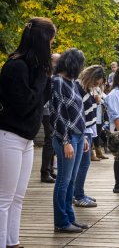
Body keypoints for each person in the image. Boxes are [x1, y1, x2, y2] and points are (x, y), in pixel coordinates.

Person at [0, 17, 56, 247]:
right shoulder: (16, 66)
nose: (52, 47)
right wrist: (43, 78)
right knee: (4, 198)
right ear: (42, 41)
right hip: (9, 136)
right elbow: (25, 105)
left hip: (26, 140)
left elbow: (42, 98)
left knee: (18, 197)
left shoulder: (34, 69)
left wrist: (43, 77)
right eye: (51, 42)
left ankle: (13, 241)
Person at [50, 48, 88, 233]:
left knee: (71, 180)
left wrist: (85, 135)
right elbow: (58, 115)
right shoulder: (56, 82)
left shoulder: (72, 82)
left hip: (79, 136)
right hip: (67, 137)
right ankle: (61, 221)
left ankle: (70, 218)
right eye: (81, 64)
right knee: (63, 181)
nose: (82, 68)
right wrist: (65, 141)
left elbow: (78, 110)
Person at [73, 65, 106, 208]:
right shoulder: (79, 88)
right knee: (83, 164)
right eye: (95, 82)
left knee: (84, 164)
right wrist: (85, 135)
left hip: (89, 129)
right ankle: (78, 195)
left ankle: (79, 192)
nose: (96, 85)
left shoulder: (87, 88)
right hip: (84, 130)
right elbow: (80, 113)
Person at [40, 53, 60, 183]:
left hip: (53, 111)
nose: (58, 63)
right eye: (56, 61)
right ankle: (45, 172)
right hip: (47, 110)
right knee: (49, 140)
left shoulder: (56, 75)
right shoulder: (47, 74)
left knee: (52, 141)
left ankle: (50, 169)